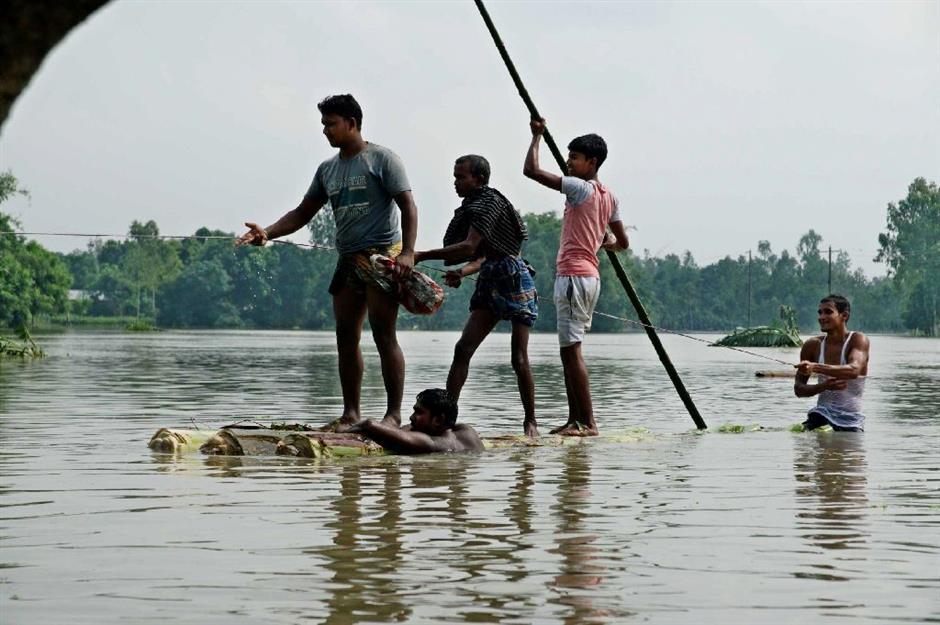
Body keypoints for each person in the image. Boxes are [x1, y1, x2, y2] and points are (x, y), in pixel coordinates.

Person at [238, 94, 418, 430]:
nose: (325, 131)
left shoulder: (382, 159)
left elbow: (408, 205)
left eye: (330, 124)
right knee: (345, 337)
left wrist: (407, 252)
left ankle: (393, 415)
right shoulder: (328, 170)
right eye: (323, 125)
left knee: (383, 335)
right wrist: (268, 233)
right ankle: (351, 413)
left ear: (351, 123)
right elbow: (302, 213)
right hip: (348, 259)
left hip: (381, 257)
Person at [414, 155, 540, 438]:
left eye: (461, 177)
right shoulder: (475, 206)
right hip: (491, 274)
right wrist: (463, 271)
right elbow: (482, 254)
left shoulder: (489, 203)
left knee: (518, 357)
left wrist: (421, 255)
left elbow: (469, 245)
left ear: (479, 179)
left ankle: (530, 421)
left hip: (514, 277)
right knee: (463, 349)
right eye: (455, 177)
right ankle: (446, 419)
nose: (456, 183)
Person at [523, 119, 629, 436]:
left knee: (571, 351)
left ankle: (588, 423)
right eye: (568, 157)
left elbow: (531, 171)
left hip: (573, 277)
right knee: (569, 350)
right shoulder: (609, 196)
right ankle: (575, 420)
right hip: (589, 278)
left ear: (591, 162)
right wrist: (601, 240)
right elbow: (621, 243)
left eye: (574, 158)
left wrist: (536, 137)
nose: (569, 163)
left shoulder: (580, 187)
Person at [794, 295, 869, 432]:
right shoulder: (812, 345)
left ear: (844, 315)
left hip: (851, 421)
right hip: (820, 416)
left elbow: (853, 370)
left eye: (828, 312)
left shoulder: (858, 340)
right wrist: (823, 386)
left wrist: (815, 367)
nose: (821, 317)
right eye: (820, 312)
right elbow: (799, 390)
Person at [346, 388, 484, 454]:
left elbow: (369, 424)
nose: (412, 417)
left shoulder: (429, 442)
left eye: (419, 412)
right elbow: (407, 430)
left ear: (437, 420)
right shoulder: (467, 431)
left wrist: (345, 432)